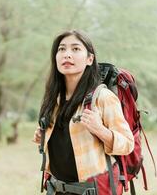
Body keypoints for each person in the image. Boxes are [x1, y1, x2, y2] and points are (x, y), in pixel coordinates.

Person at [32, 30, 134, 195]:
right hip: (56, 189)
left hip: (92, 190)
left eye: (75, 49)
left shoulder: (102, 97)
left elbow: (127, 144)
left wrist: (100, 130)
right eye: (61, 49)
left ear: (90, 59)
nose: (67, 55)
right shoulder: (54, 99)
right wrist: (43, 138)